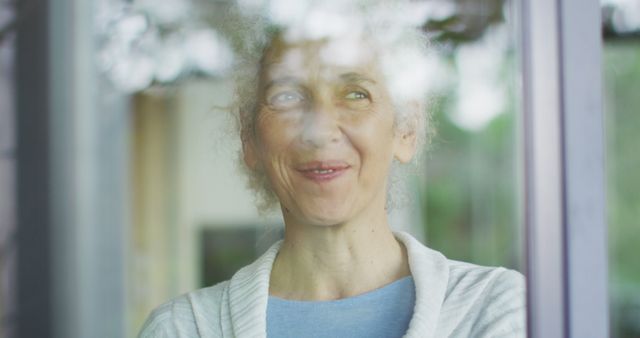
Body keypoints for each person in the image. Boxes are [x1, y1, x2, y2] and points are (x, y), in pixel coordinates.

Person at [139, 2, 525, 337]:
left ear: (406, 129)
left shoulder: (496, 312)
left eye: (356, 94)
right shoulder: (183, 329)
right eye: (287, 96)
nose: (320, 131)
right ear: (249, 137)